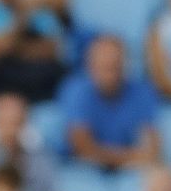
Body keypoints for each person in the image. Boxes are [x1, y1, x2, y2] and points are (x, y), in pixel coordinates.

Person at [57, 35, 161, 169]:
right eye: (103, 67)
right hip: (84, 169)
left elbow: (151, 148)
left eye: (114, 66)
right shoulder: (75, 90)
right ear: (89, 66)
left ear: (125, 65)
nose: (110, 74)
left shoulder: (142, 92)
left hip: (129, 172)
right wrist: (131, 157)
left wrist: (128, 158)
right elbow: (83, 148)